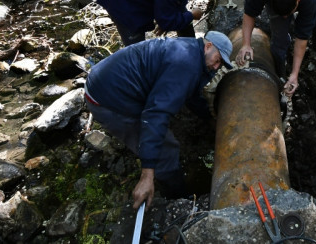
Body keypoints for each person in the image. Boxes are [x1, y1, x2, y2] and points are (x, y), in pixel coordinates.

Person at [84, 31, 232, 210]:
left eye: (221, 64)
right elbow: (154, 115)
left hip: (108, 80)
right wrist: (147, 173)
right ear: (208, 46)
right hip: (107, 99)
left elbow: (191, 93)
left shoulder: (193, 52)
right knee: (166, 148)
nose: (217, 67)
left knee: (163, 123)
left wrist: (209, 119)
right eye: (217, 60)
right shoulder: (185, 63)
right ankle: (178, 199)